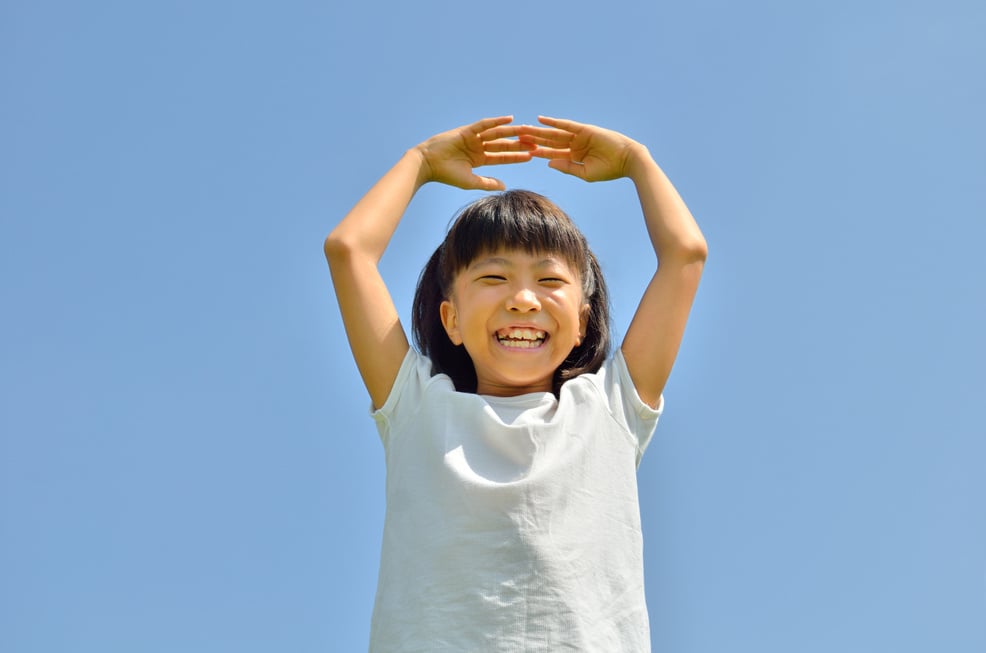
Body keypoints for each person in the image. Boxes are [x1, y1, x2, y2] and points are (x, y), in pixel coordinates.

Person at [324, 116, 707, 652]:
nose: (523, 299)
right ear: (451, 319)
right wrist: (421, 162)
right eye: (493, 277)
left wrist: (636, 160)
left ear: (581, 322)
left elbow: (685, 255)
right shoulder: (416, 407)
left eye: (549, 280)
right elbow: (349, 250)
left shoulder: (611, 408)